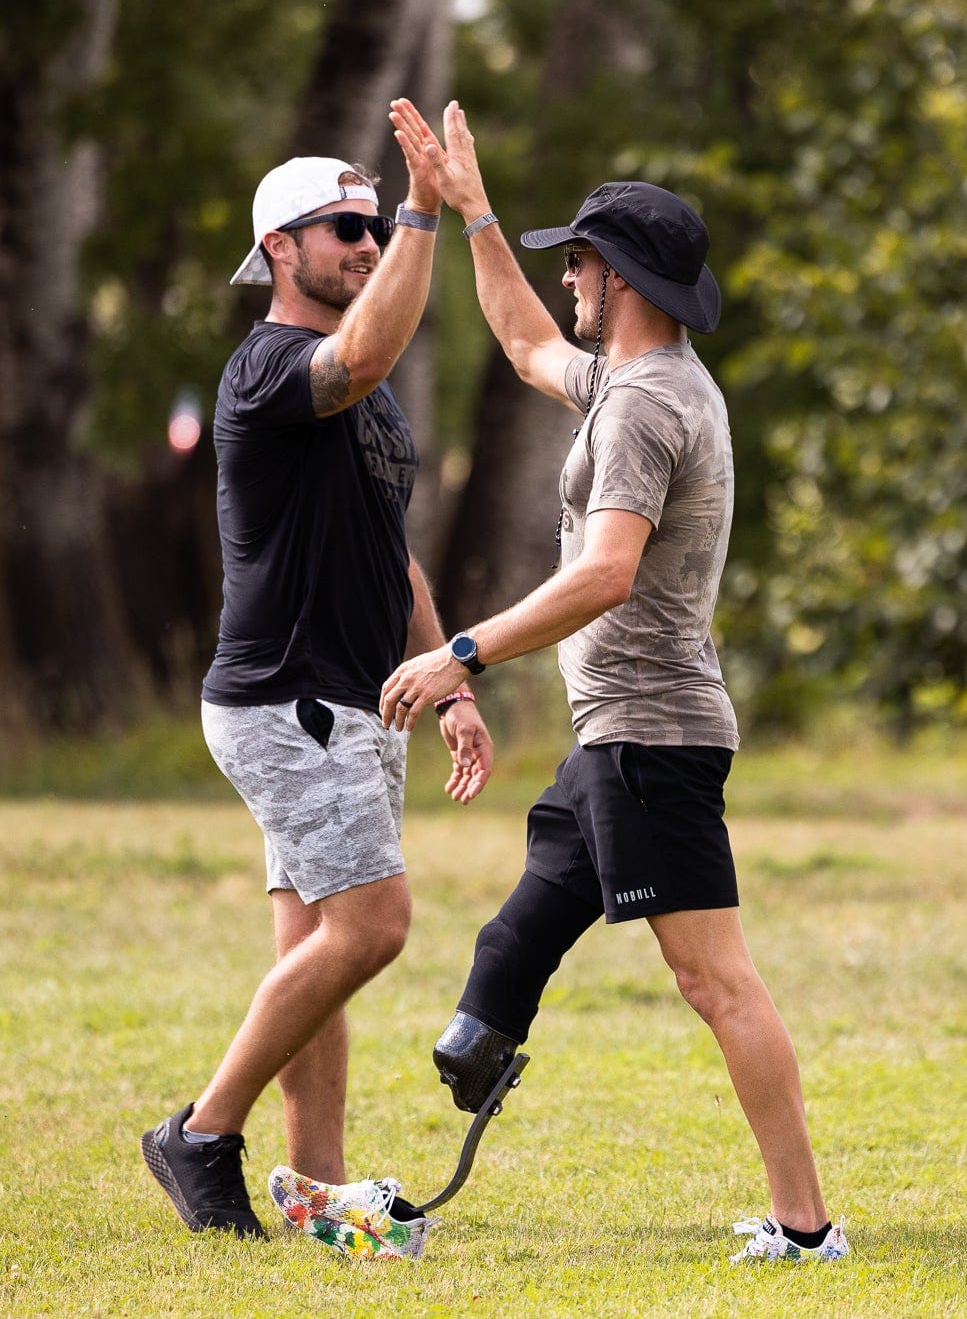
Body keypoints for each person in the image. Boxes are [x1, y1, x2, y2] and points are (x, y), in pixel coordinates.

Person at [289, 100, 848, 1265]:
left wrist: (458, 653)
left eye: (580, 263)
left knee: (712, 979)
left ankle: (804, 1227)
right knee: (511, 941)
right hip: (612, 742)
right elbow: (522, 342)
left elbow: (604, 572)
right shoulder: (635, 378)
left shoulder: (645, 406)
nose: (568, 280)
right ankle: (468, 1067)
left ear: (623, 276)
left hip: (652, 739)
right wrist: (472, 209)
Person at [142, 102, 495, 1247]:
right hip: (285, 695)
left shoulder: (368, 400)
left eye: (371, 226)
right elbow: (364, 352)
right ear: (278, 249)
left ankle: (314, 1185)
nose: (362, 242)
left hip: (353, 698)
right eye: (343, 228)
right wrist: (424, 211)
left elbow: (392, 553)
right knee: (374, 923)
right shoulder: (267, 368)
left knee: (317, 948)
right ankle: (201, 1132)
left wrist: (449, 678)